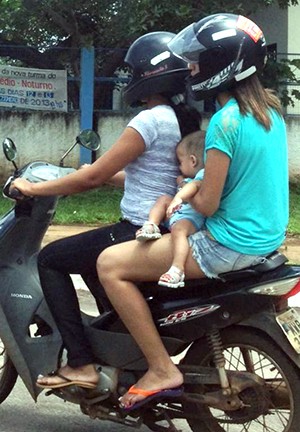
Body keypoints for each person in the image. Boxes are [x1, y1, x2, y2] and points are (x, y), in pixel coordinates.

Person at [97, 13, 289, 411]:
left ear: (224, 64)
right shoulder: (270, 114)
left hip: (227, 243)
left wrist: (184, 196)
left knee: (109, 264)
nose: (191, 68)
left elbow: (208, 203)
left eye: (199, 60)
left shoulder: (225, 121)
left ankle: (161, 368)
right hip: (266, 240)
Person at [11, 31, 201, 389]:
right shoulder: (180, 119)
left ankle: (81, 363)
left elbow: (91, 179)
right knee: (88, 264)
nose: (129, 80)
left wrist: (32, 188)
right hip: (167, 223)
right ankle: (119, 352)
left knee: (51, 259)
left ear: (148, 75)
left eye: (133, 73)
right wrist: (99, 175)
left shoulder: (149, 120)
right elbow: (151, 173)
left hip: (139, 227)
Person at [136, 130, 206, 288]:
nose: (178, 167)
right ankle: (151, 225)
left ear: (193, 161)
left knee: (179, 231)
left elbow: (193, 187)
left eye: (180, 162)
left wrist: (179, 195)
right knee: (163, 200)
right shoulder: (186, 179)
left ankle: (177, 268)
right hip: (176, 214)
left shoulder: (201, 176)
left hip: (191, 219)